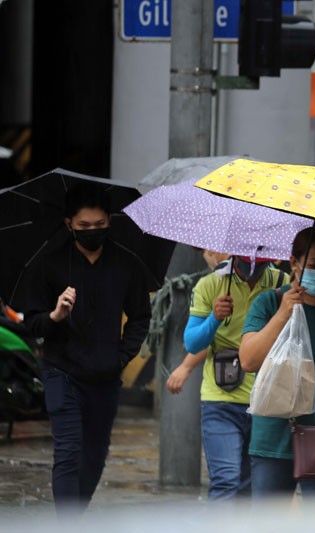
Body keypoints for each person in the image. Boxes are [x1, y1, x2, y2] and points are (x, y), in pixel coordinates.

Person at [22, 184, 151, 513]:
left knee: (95, 454)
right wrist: (56, 315)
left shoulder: (126, 263)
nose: (93, 232)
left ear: (109, 221)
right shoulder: (49, 265)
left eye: (99, 226)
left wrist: (121, 356)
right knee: (68, 450)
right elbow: (32, 323)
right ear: (69, 224)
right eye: (84, 227)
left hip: (105, 377)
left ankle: (75, 517)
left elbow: (140, 317)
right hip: (60, 371)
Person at [239, 227, 315, 498]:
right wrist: (284, 312)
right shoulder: (269, 303)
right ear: (294, 263)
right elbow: (248, 360)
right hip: (274, 438)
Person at [166, 255, 287, 501]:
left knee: (250, 486)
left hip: (266, 401)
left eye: (260, 255)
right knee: (225, 480)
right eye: (246, 255)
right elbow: (192, 342)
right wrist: (215, 317)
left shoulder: (282, 284)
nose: (252, 261)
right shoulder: (210, 284)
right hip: (220, 399)